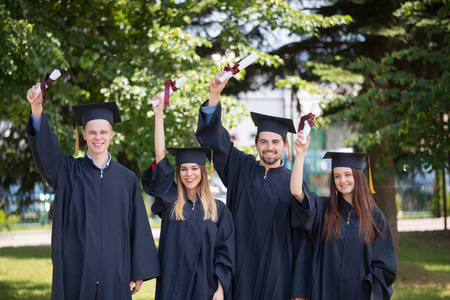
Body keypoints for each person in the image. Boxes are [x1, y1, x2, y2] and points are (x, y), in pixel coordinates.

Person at [26, 83, 160, 300]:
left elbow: (138, 226)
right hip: (76, 270)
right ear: (84, 135)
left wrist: (138, 272)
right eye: (92, 132)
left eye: (103, 132)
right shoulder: (68, 171)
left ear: (111, 135)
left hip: (115, 271)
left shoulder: (126, 179)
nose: (98, 137)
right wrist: (37, 110)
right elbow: (46, 153)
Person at [195, 73, 311, 300]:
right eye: (264, 141)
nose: (269, 147)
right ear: (256, 144)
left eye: (275, 142)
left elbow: (303, 237)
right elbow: (217, 143)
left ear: (285, 145)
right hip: (240, 269)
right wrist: (214, 95)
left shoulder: (293, 181)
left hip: (277, 273)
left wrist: (298, 288)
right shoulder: (240, 167)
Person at [141, 94, 235, 300]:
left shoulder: (219, 210)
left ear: (202, 171)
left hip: (206, 290)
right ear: (178, 173)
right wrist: (159, 116)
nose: (189, 174)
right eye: (183, 169)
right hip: (174, 288)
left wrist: (220, 290)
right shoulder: (171, 203)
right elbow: (160, 157)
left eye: (194, 168)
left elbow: (224, 253)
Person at [290, 131, 397, 299]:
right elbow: (296, 191)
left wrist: (371, 290)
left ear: (358, 176)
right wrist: (300, 154)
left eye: (348, 174)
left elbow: (385, 263)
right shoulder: (324, 209)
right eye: (337, 176)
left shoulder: (374, 217)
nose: (342, 180)